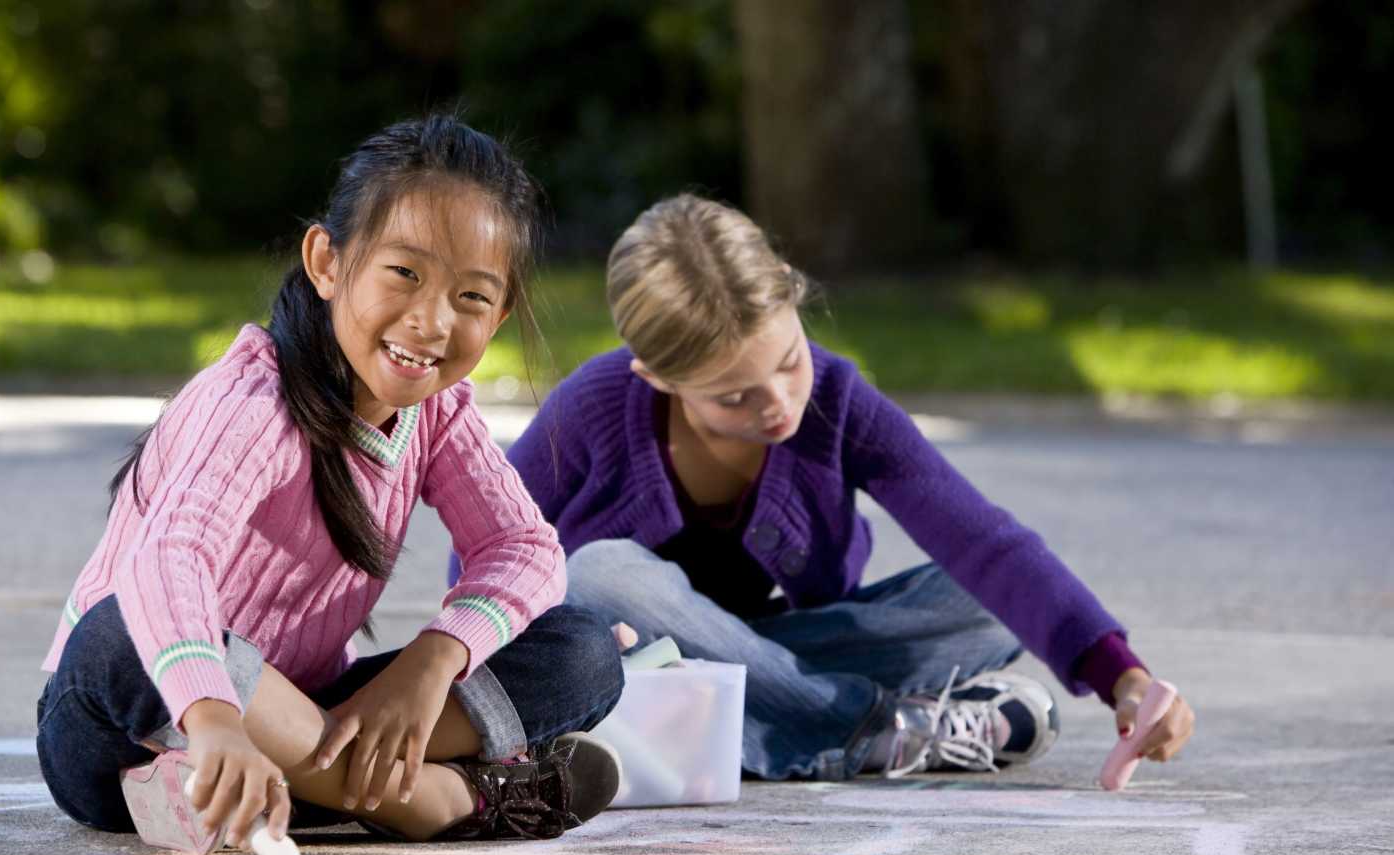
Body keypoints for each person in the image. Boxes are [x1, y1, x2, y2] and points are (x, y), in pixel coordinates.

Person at [35, 115, 624, 850]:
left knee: (584, 651)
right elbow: (166, 561)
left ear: (499, 314)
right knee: (115, 629)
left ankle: (266, 787)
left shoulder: (436, 411)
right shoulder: (252, 401)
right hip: (131, 717)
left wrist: (432, 661)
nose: (430, 321)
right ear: (327, 262)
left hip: (301, 710)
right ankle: (423, 796)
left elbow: (525, 549)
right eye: (404, 273)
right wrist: (215, 717)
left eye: (470, 297)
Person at [491, 193, 1195, 782]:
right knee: (605, 574)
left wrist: (1124, 676)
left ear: (795, 295)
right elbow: (484, 555)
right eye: (733, 397)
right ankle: (876, 727)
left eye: (789, 362)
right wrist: (557, 640)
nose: (776, 404)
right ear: (659, 378)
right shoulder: (593, 407)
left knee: (986, 601)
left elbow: (979, 535)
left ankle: (768, 710)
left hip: (785, 642)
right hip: (632, 657)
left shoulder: (839, 401)